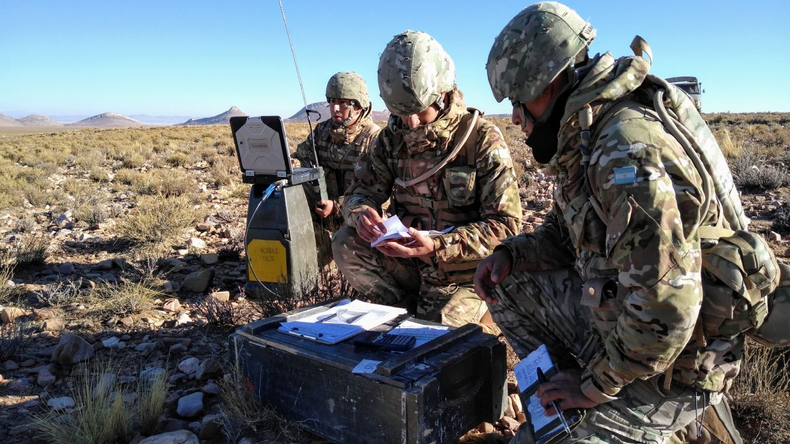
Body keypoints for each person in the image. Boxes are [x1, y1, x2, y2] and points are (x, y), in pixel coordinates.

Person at [475, 2, 755, 442]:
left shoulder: (622, 149)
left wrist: (593, 388)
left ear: (548, 84)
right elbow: (567, 235)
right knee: (507, 282)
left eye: (519, 100)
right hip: (627, 330)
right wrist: (511, 254)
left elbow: (668, 307)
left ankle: (607, 413)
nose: (515, 117)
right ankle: (570, 402)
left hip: (678, 368)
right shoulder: (586, 134)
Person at [332, 30, 522, 328]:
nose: (410, 123)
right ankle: (398, 309)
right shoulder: (389, 140)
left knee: (439, 345)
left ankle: (486, 317)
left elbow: (506, 226)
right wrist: (361, 214)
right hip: (408, 263)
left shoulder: (480, 139)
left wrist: (439, 246)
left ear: (442, 93)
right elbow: (360, 193)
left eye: (419, 111)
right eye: (400, 112)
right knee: (346, 241)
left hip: (462, 275)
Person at [295, 72, 381, 262]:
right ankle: (319, 254)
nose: (335, 108)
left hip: (358, 214)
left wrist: (337, 206)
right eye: (332, 101)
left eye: (343, 103)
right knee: (295, 189)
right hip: (324, 208)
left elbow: (381, 194)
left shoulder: (374, 139)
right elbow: (302, 159)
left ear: (358, 106)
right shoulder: (321, 132)